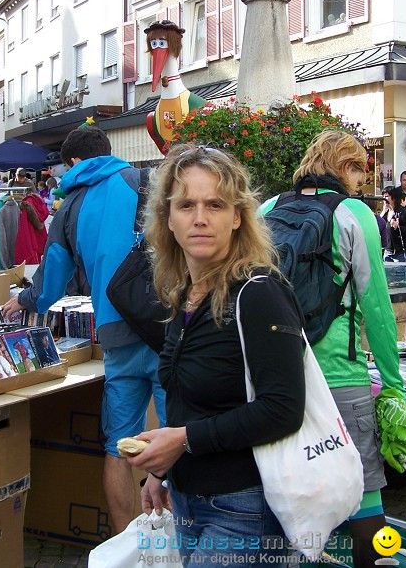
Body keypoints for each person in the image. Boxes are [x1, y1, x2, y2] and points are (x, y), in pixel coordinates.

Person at [128, 145, 304, 565]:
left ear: (238, 217)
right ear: (167, 219)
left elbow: (283, 409)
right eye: (186, 205)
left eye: (215, 205)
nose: (200, 218)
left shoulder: (259, 293)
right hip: (190, 500)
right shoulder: (186, 295)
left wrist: (183, 442)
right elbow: (189, 401)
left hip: (246, 507)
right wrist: (162, 470)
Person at [1, 125, 166, 532]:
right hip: (167, 329)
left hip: (115, 333)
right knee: (176, 439)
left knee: (118, 448)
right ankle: (181, 542)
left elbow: (50, 283)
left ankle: (122, 542)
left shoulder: (70, 206)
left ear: (73, 162)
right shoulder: (147, 181)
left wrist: (20, 300)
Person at [259, 131, 406, 568]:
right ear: (346, 167)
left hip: (283, 377)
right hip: (342, 378)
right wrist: (394, 385)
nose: (363, 179)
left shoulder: (268, 210)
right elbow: (377, 307)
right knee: (366, 500)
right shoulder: (355, 214)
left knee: (287, 495)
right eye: (361, 168)